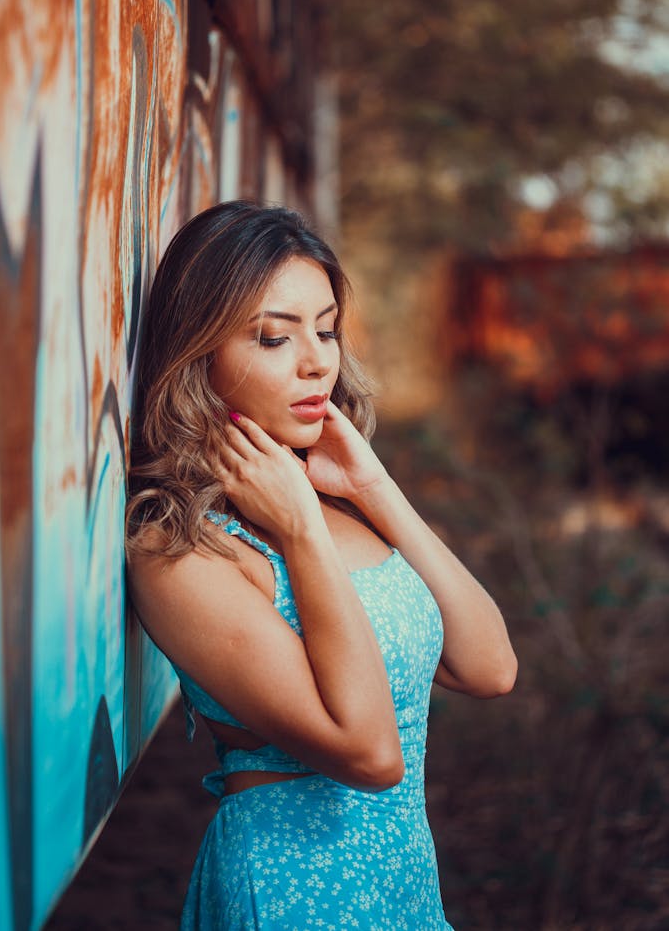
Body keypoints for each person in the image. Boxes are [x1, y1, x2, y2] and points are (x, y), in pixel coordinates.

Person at [126, 200, 517, 930]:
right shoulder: (178, 548)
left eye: (326, 328)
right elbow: (369, 752)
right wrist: (302, 530)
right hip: (290, 892)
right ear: (198, 353)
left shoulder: (329, 503)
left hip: (400, 884)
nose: (317, 360)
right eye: (274, 336)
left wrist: (373, 488)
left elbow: (490, 666)